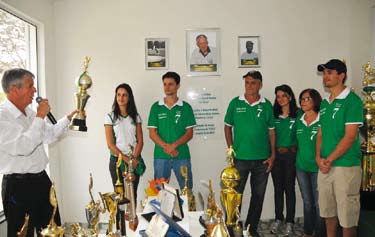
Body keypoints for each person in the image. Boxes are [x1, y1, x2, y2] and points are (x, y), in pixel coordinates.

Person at [0, 68, 77, 237]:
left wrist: (68, 119)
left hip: (41, 181)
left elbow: (48, 135)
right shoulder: (2, 117)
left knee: (53, 230)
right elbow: (24, 146)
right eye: (30, 86)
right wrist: (40, 116)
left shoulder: (30, 113)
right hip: (17, 187)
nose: (35, 90)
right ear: (14, 89)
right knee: (22, 233)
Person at [224, 70, 275, 237]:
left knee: (258, 196)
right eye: (247, 82)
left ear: (260, 84)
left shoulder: (266, 105)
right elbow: (227, 126)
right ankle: (232, 228)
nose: (249, 86)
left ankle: (251, 229)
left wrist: (272, 154)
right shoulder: (235, 103)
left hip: (262, 160)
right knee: (235, 196)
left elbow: (271, 131)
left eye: (253, 82)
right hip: (239, 160)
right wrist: (231, 148)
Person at [316, 59, 363, 237]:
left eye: (330, 72)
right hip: (325, 166)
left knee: (347, 219)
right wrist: (318, 158)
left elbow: (350, 136)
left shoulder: (352, 101)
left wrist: (330, 159)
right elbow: (320, 134)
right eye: (324, 73)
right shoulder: (325, 102)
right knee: (328, 214)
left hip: (346, 166)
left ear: (341, 75)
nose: (325, 76)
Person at [147, 71, 196, 190]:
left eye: (171, 84)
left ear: (178, 85)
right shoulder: (156, 107)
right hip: (161, 156)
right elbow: (152, 133)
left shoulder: (186, 107)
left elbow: (189, 133)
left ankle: (188, 209)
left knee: (187, 190)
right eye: (164, 84)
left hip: (181, 155)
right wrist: (166, 147)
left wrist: (173, 146)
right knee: (159, 192)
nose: (167, 87)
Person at [104, 83, 144, 204]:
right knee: (119, 197)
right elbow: (110, 144)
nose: (121, 98)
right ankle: (120, 223)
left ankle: (132, 222)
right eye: (118, 95)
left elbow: (140, 141)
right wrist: (127, 160)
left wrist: (134, 159)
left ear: (129, 97)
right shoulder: (110, 117)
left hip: (134, 160)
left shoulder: (135, 117)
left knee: (132, 195)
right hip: (117, 162)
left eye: (124, 95)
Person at [296, 89, 326, 237]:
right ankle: (308, 232)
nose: (303, 102)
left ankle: (320, 233)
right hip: (301, 167)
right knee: (307, 202)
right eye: (301, 99)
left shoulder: (323, 119)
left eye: (307, 99)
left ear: (315, 100)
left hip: (317, 168)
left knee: (318, 204)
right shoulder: (299, 120)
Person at [270, 84, 298, 236]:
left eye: (283, 95)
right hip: (277, 157)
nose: (280, 99)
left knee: (290, 188)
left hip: (292, 157)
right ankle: (278, 218)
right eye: (278, 96)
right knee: (278, 189)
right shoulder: (274, 116)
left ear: (290, 97)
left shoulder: (298, 114)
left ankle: (290, 221)